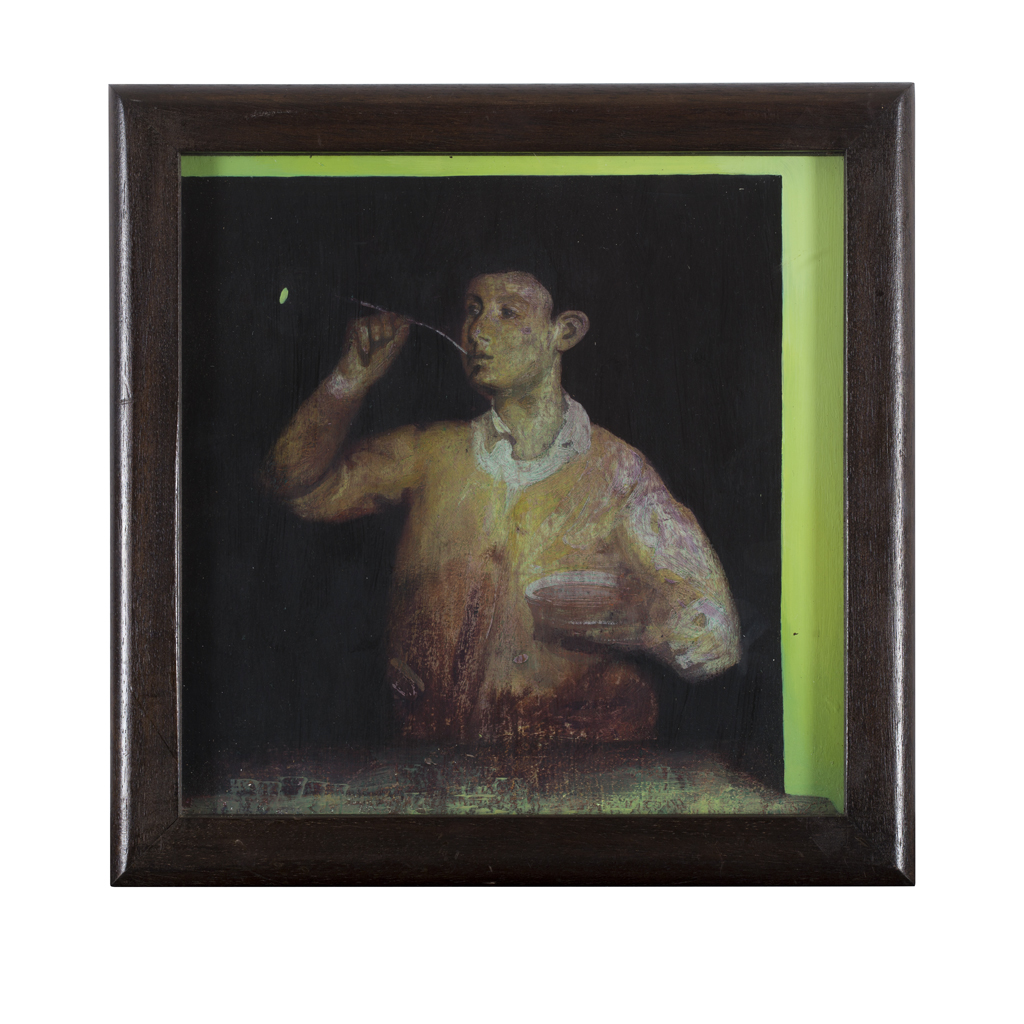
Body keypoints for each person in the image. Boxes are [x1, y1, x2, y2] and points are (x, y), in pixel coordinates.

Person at [265, 271, 740, 746]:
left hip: (580, 771)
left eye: (507, 312)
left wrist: (624, 618)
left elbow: (716, 638)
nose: (477, 331)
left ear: (564, 332)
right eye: (473, 310)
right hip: (431, 765)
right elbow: (296, 488)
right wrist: (348, 380)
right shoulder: (431, 454)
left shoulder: (621, 474)